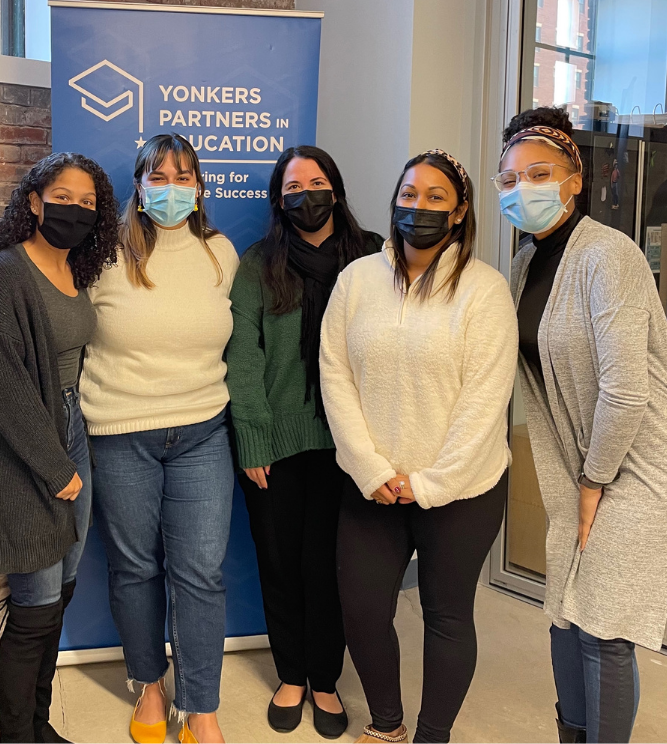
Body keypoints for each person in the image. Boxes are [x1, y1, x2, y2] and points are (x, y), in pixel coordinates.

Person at [319, 150, 518, 744]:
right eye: (409, 194)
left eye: (436, 197)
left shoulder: (485, 290)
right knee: (362, 611)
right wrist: (368, 467)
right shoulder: (357, 280)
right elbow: (335, 373)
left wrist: (430, 483)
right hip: (372, 484)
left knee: (447, 616)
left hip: (462, 490)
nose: (419, 206)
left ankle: (433, 736)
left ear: (458, 212)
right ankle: (387, 724)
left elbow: (485, 401)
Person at [498, 107, 667, 743]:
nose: (522, 189)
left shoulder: (609, 255)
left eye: (539, 174)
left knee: (604, 628)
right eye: (509, 179)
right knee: (565, 613)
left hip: (632, 463)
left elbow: (625, 390)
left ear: (574, 180)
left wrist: (594, 480)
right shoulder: (524, 264)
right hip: (579, 463)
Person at [80, 133, 240, 744]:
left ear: (199, 188)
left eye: (183, 177)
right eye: (159, 177)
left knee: (200, 573)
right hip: (121, 433)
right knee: (136, 569)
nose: (171, 189)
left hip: (203, 432)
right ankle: (148, 686)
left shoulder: (220, 253)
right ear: (139, 186)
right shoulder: (103, 254)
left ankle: (201, 708)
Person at [225, 145, 381, 738]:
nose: (306, 195)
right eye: (293, 187)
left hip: (352, 446)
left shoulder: (372, 256)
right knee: (280, 563)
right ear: (278, 199)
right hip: (276, 444)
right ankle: (291, 674)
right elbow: (243, 354)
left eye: (316, 183)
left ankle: (325, 679)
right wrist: (253, 438)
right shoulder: (258, 263)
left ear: (335, 190)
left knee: (331, 569)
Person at [0, 151, 119, 743]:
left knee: (60, 594)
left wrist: (72, 450)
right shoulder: (5, 272)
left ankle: (39, 723)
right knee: (33, 605)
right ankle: (18, 735)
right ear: (34, 201)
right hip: (27, 447)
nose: (74, 210)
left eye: (87, 203)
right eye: (62, 197)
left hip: (72, 426)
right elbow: (4, 384)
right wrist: (56, 468)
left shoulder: (76, 272)